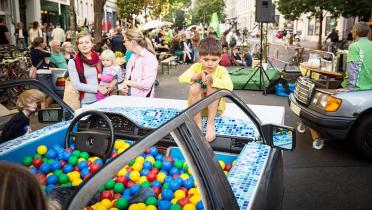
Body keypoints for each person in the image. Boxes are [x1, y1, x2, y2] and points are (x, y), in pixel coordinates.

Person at [309, 22, 372, 150]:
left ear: (355, 32)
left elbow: (353, 70)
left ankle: (323, 136)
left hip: (357, 88)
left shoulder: (354, 47)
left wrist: (346, 87)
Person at [178, 37, 233, 142]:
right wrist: (197, 75)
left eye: (214, 60)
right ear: (200, 58)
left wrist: (214, 79)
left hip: (215, 111)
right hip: (195, 111)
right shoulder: (196, 67)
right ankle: (198, 123)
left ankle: (210, 123)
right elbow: (181, 78)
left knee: (213, 86)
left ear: (220, 58)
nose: (210, 63)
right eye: (206, 59)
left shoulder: (221, 70)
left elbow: (230, 86)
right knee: (195, 86)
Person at [68, 32, 117, 106]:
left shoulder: (100, 59)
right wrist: (98, 88)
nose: (84, 45)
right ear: (78, 46)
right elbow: (76, 85)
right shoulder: (73, 62)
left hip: (104, 99)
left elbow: (112, 74)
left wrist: (112, 84)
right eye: (80, 43)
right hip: (87, 102)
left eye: (87, 42)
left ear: (92, 44)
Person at [119, 28, 158, 97]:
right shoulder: (132, 57)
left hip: (142, 102)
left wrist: (127, 82)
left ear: (133, 42)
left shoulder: (149, 58)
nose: (123, 44)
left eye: (125, 41)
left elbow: (147, 84)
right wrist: (125, 88)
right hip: (130, 99)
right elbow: (128, 78)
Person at [30, 37, 54, 108]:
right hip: (42, 75)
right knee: (51, 94)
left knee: (43, 94)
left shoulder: (39, 51)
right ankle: (45, 111)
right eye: (44, 42)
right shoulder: (35, 51)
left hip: (46, 74)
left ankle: (43, 111)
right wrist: (44, 49)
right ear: (40, 44)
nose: (45, 44)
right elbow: (49, 54)